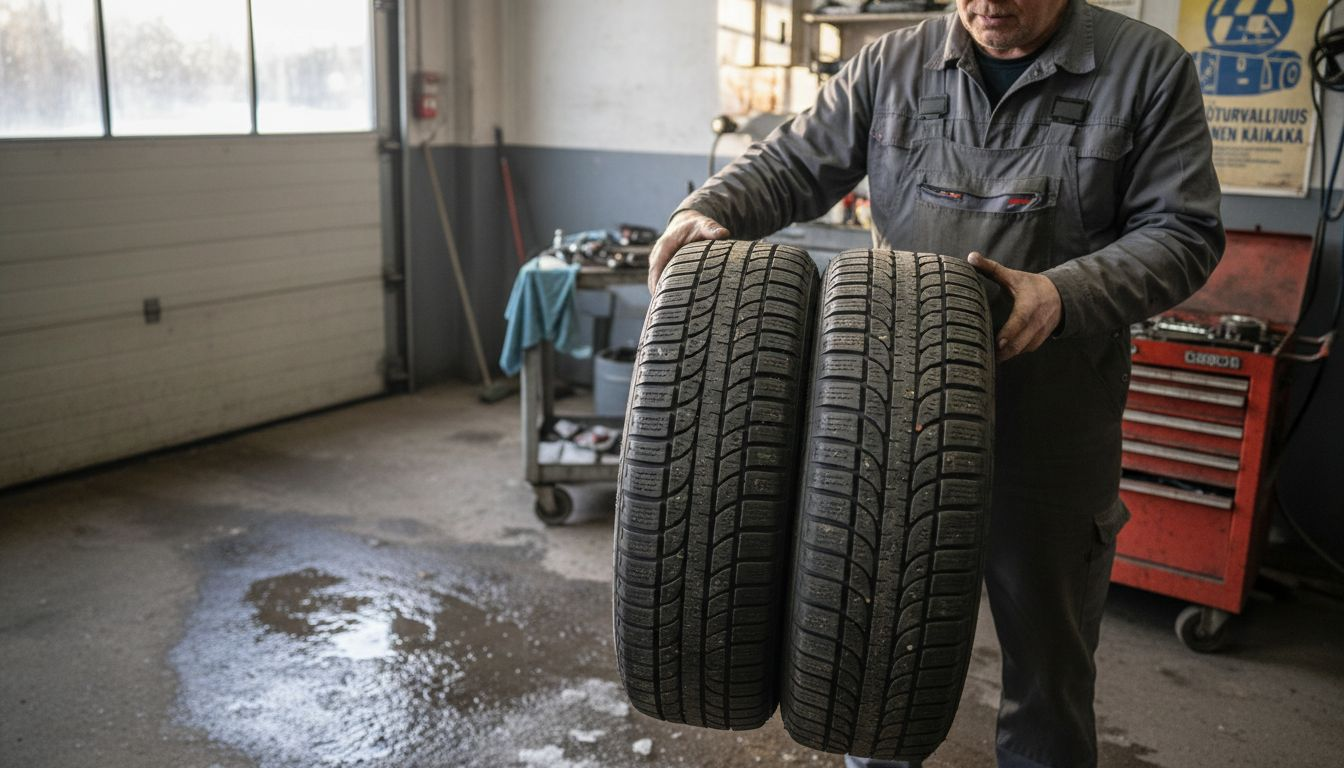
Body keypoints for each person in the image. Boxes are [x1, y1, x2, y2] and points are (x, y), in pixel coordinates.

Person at [646, 1, 1224, 766]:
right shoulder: (892, 63)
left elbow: (1184, 232)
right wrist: (712, 208)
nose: (987, 5)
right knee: (872, 658)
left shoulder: (1147, 67)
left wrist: (1063, 294)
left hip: (1050, 428)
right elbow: (792, 162)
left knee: (1048, 671)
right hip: (893, 423)